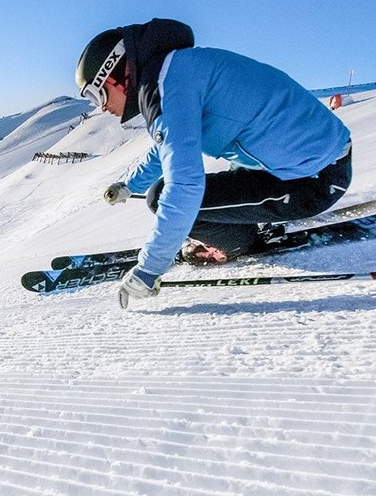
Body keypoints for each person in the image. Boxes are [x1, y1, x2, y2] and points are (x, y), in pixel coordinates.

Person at [75, 18, 352, 309]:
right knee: (177, 191)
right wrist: (129, 185)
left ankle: (238, 242)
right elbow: (169, 145)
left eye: (97, 94)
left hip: (314, 180)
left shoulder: (165, 88)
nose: (103, 107)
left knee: (161, 198)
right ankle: (249, 220)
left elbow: (185, 186)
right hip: (313, 160)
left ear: (117, 74)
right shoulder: (176, 71)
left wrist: (150, 269)